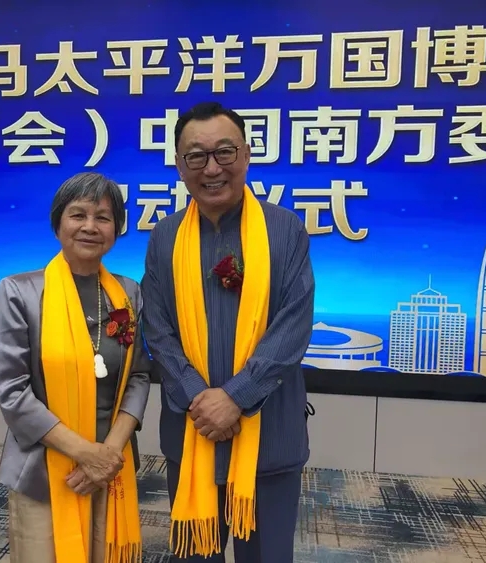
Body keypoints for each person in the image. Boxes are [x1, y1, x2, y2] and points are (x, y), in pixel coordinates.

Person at [141, 102, 315, 562]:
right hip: (192, 430)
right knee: (195, 556)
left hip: (270, 436)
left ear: (247, 154)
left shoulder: (285, 230)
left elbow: (293, 326)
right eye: (196, 156)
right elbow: (157, 329)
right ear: (180, 166)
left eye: (225, 151)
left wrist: (235, 397)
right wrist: (201, 399)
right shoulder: (165, 236)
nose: (212, 168)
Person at [0, 172, 151, 563]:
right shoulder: (20, 292)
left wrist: (108, 453)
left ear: (116, 229)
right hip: (44, 467)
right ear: (58, 223)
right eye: (78, 215)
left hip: (111, 465)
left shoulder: (128, 292)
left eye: (103, 217)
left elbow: (139, 376)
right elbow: (14, 393)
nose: (90, 227)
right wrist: (84, 453)